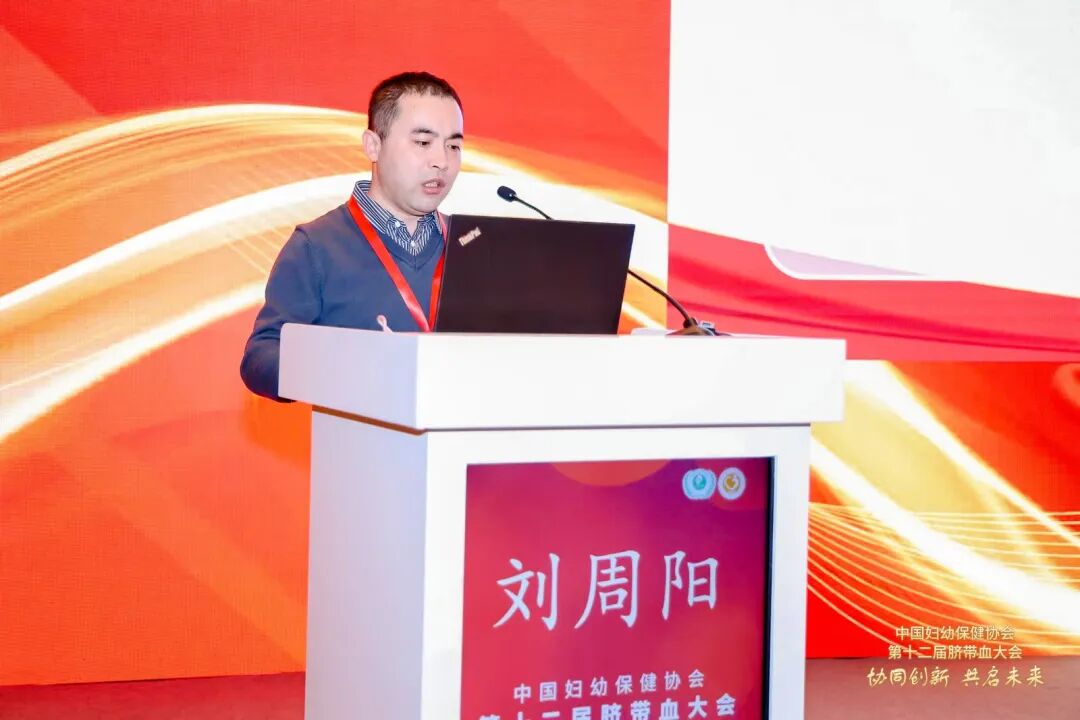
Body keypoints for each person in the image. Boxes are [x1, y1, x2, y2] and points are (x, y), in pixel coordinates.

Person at [240, 71, 464, 401]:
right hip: (360, 432)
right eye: (422, 143)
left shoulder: (470, 244)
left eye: (453, 146)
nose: (442, 161)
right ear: (373, 146)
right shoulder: (316, 246)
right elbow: (261, 357)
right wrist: (343, 370)